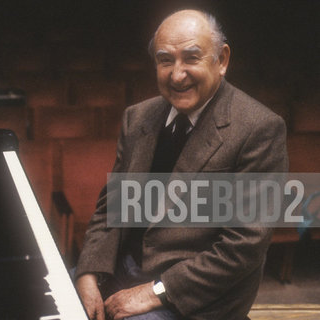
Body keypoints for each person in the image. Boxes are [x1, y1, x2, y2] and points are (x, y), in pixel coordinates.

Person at [75, 9, 288, 320]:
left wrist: (155, 292)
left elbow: (243, 247)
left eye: (191, 58)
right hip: (121, 271)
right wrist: (89, 271)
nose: (177, 74)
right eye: (165, 60)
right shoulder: (137, 118)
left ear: (222, 60)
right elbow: (112, 206)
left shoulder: (260, 128)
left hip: (192, 297)